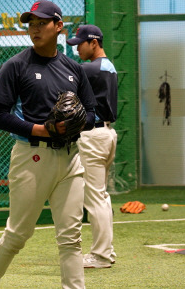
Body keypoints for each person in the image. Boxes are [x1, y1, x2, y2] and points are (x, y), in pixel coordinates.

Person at [0, 0, 96, 289]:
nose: (35, 28)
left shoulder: (74, 69)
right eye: (31, 24)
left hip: (69, 159)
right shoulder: (15, 66)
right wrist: (41, 129)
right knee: (17, 234)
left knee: (71, 238)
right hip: (32, 158)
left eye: (42, 23)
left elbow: (91, 114)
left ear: (58, 26)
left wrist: (76, 123)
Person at [66, 25, 119, 268]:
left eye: (80, 44)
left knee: (95, 198)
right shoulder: (108, 65)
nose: (77, 49)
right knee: (102, 196)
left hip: (93, 135)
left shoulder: (89, 68)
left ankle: (101, 255)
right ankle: (106, 251)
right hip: (107, 134)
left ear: (94, 43)